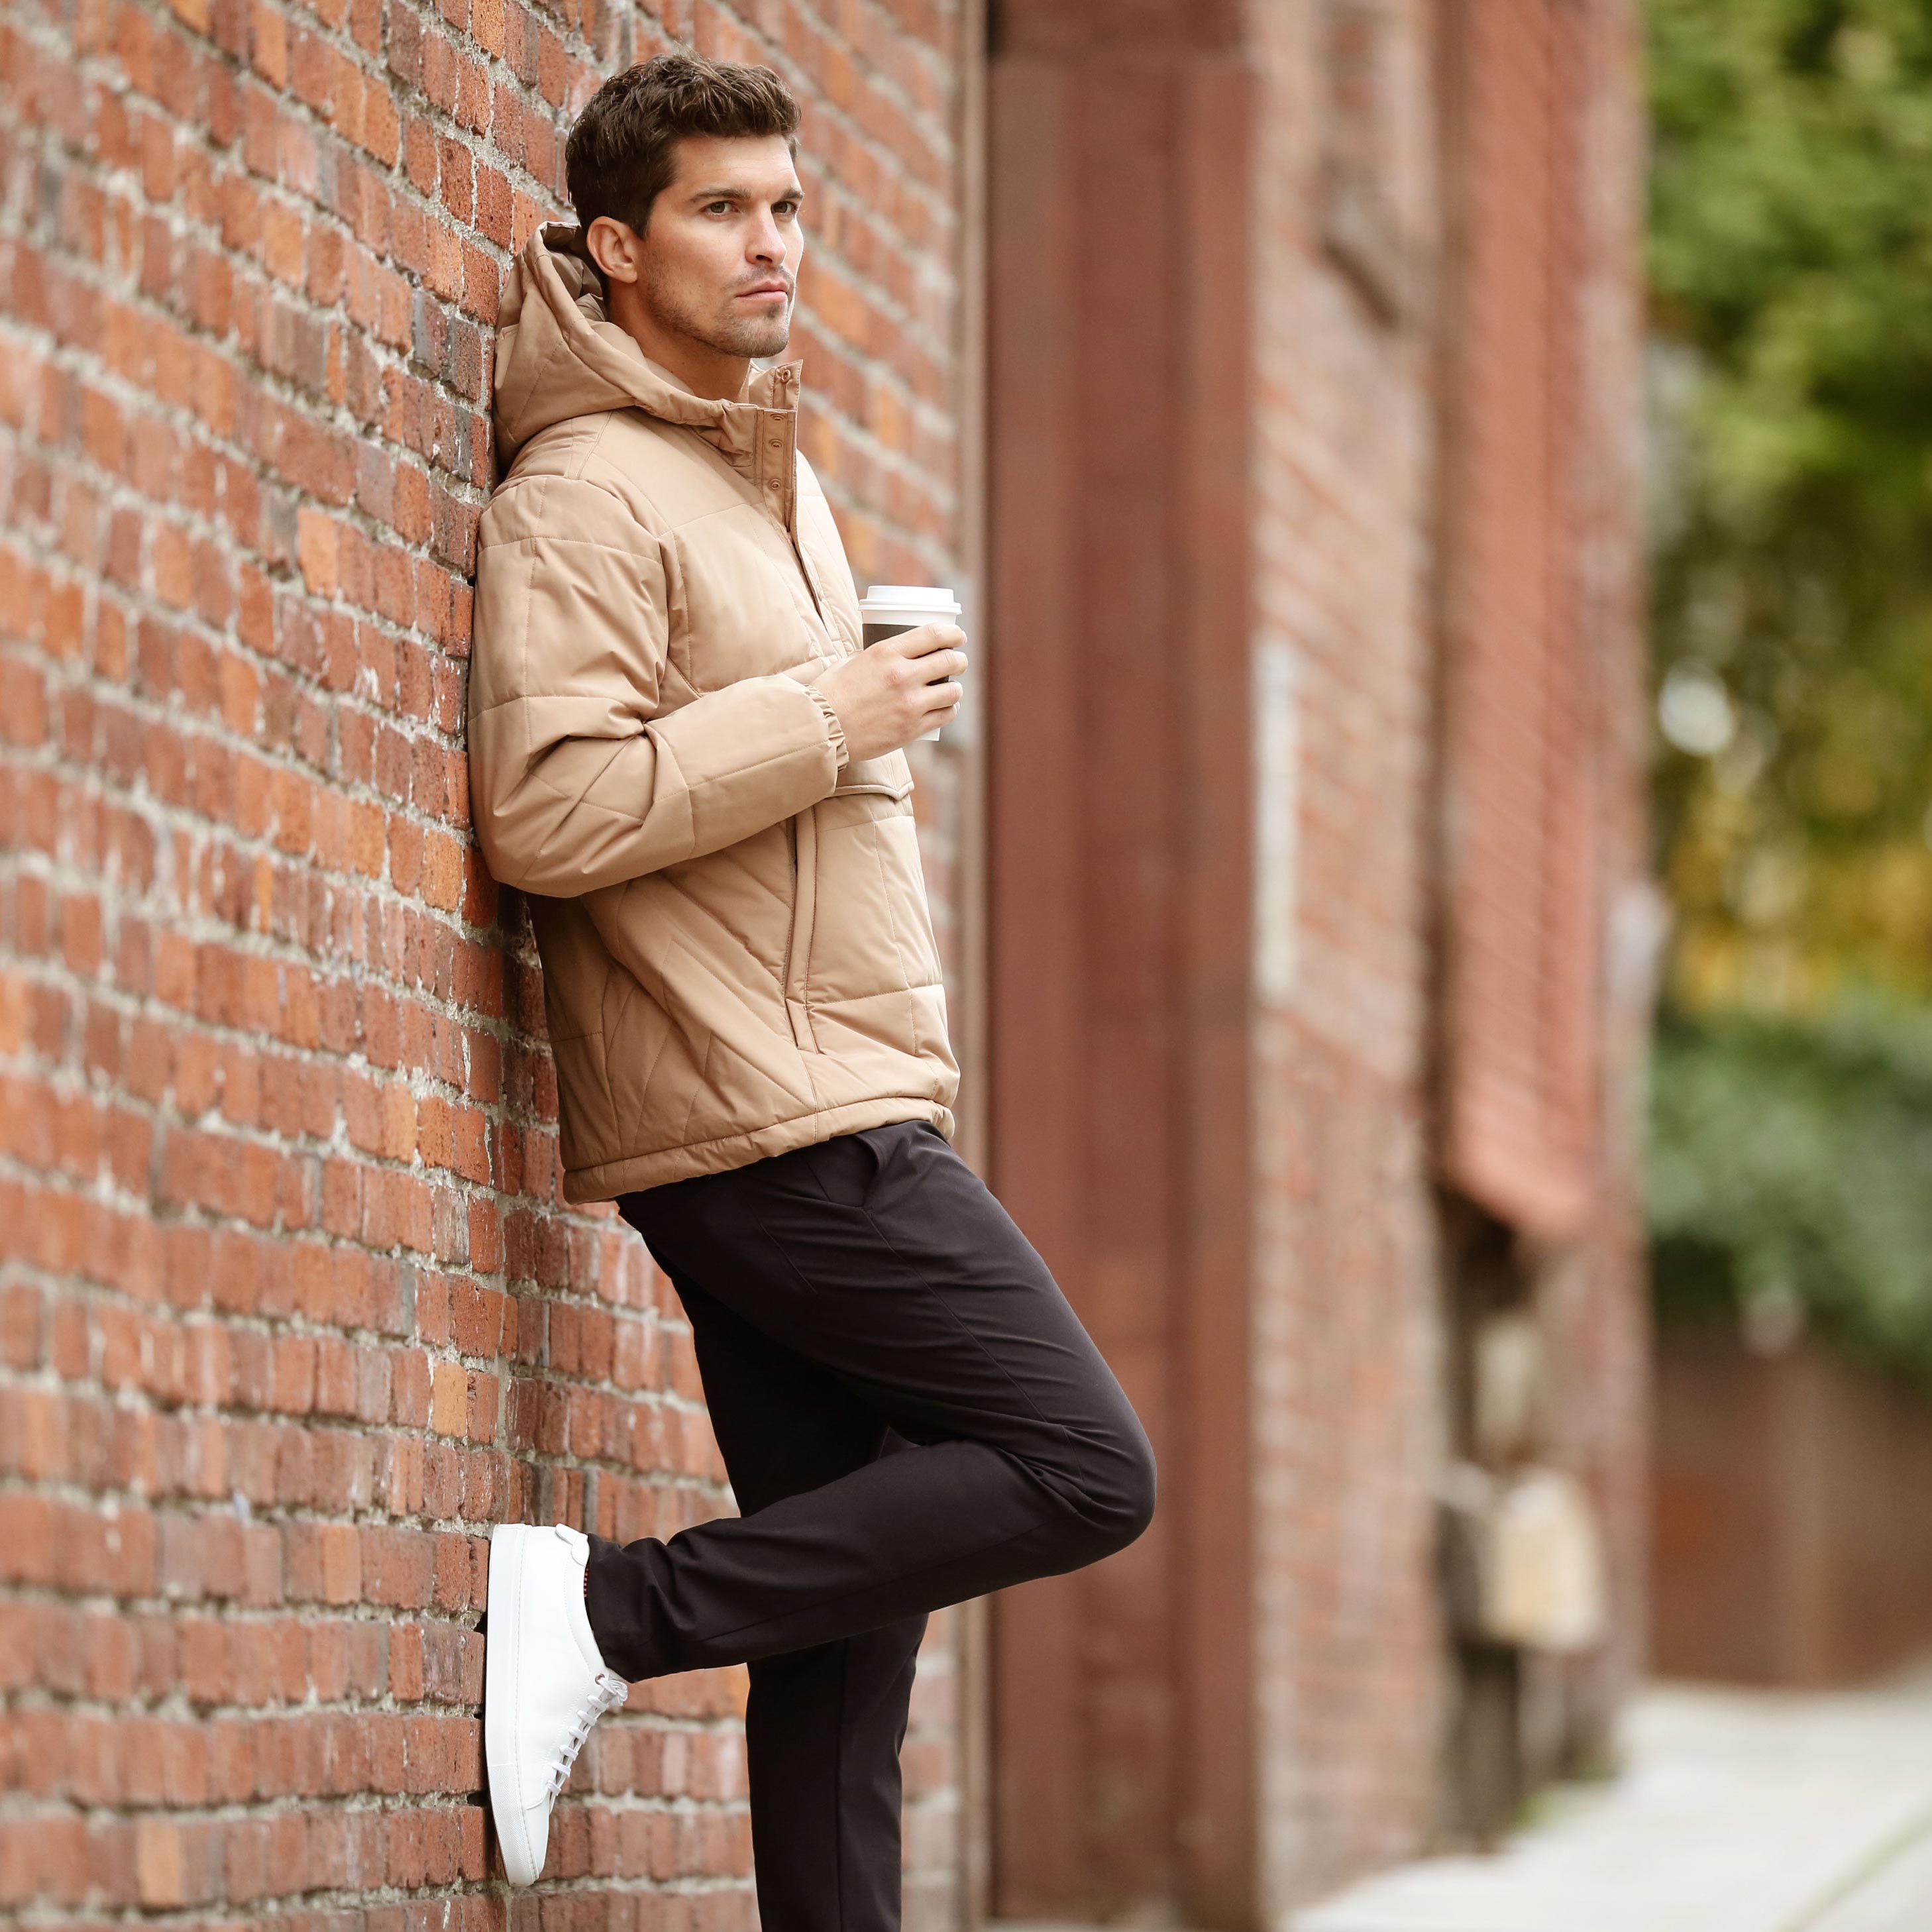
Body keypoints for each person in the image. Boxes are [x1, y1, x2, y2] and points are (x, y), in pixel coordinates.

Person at [466, 49, 1155, 1931]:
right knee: (1080, 1463)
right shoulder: (587, 491)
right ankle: (607, 1608)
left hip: (821, 1081)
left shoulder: (755, 476)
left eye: (784, 206)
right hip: (764, 1111)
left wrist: (829, 690)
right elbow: (545, 805)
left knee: (847, 1642)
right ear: (614, 245)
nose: (770, 244)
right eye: (718, 209)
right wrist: (821, 712)